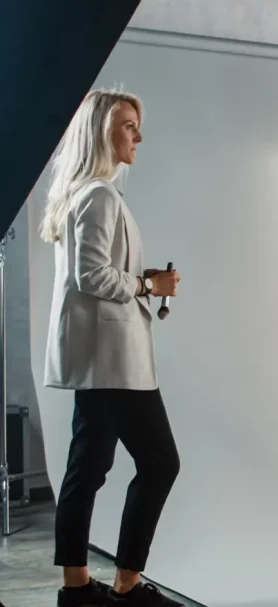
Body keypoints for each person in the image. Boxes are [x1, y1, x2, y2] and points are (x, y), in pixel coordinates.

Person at [41, 89, 184, 607]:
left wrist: (145, 279)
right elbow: (92, 275)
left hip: (99, 359)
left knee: (87, 468)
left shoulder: (85, 194)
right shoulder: (99, 195)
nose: (138, 136)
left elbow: (96, 272)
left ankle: (78, 589)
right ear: (101, 131)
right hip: (114, 363)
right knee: (160, 462)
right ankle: (124, 584)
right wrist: (148, 287)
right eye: (128, 125)